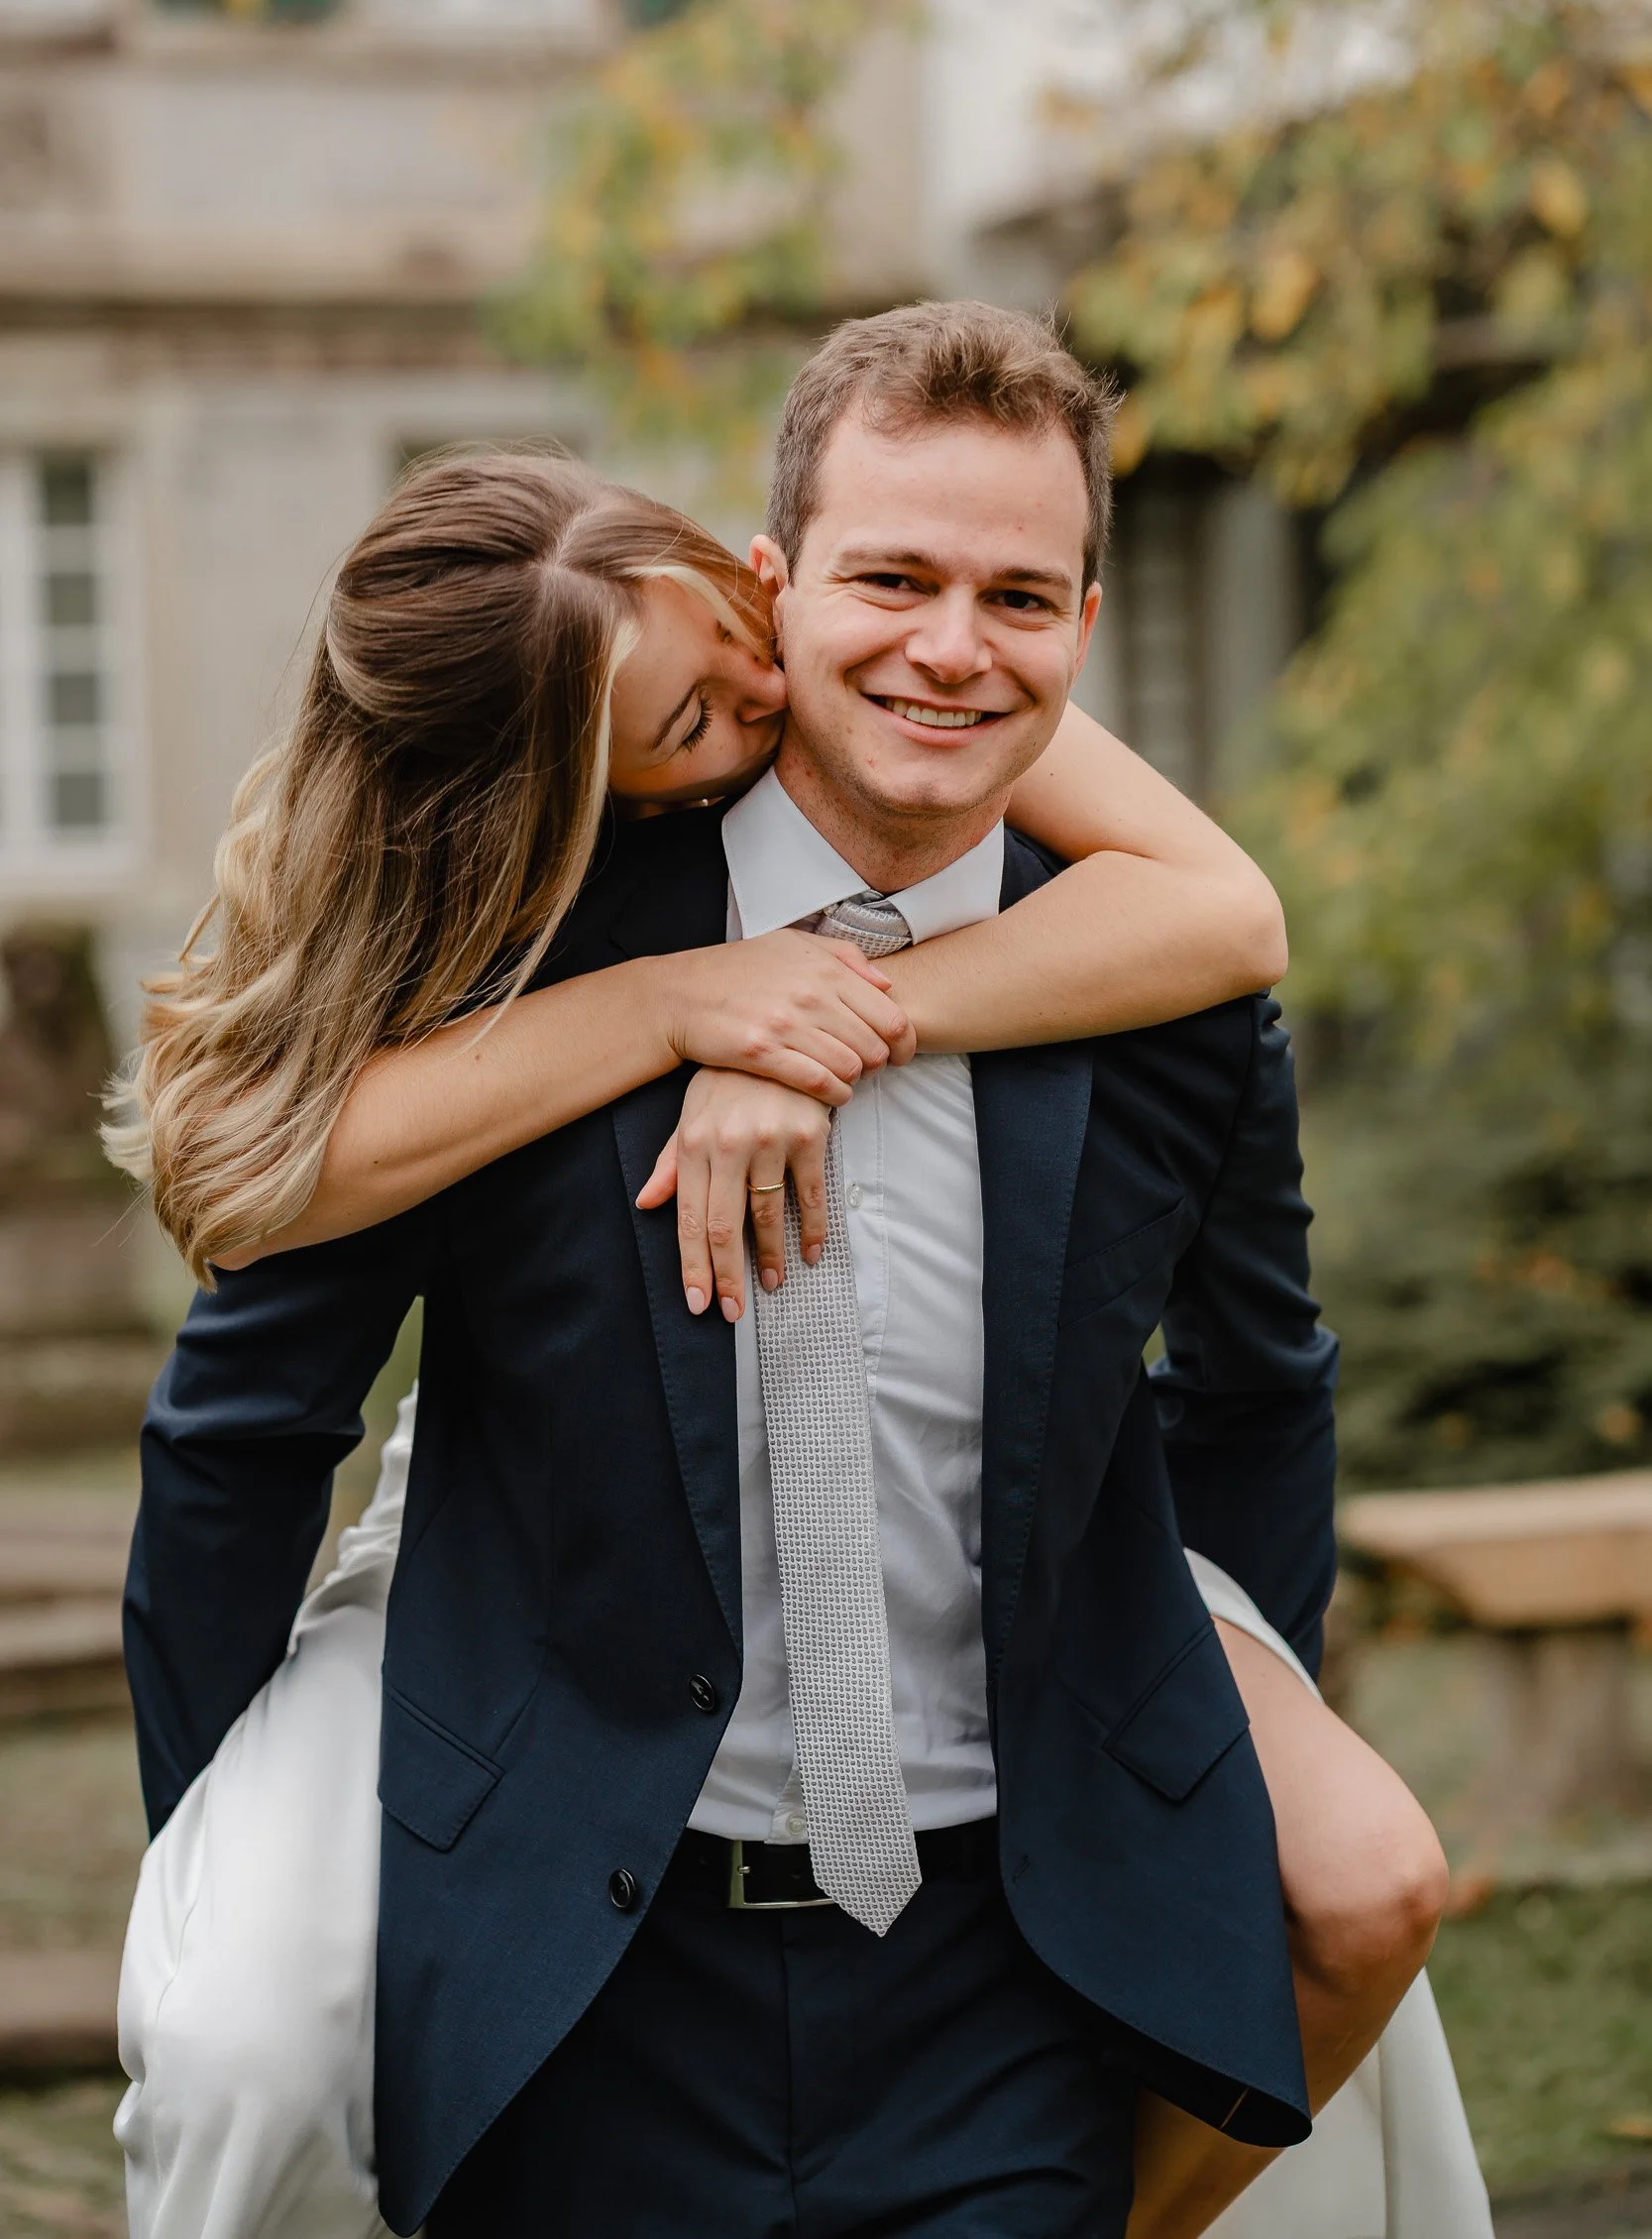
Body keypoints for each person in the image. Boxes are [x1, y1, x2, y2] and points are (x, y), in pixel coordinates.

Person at [114, 305, 1480, 2238]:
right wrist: (219, 1836)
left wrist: (1186, 1776)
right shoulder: (530, 938)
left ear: (1083, 624)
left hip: (997, 1963)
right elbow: (249, 1405)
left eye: (1018, 596)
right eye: (890, 580)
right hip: (588, 1938)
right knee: (250, 2060)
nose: (949, 646)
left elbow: (1256, 1384)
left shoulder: (1165, 991)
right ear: (779, 586)